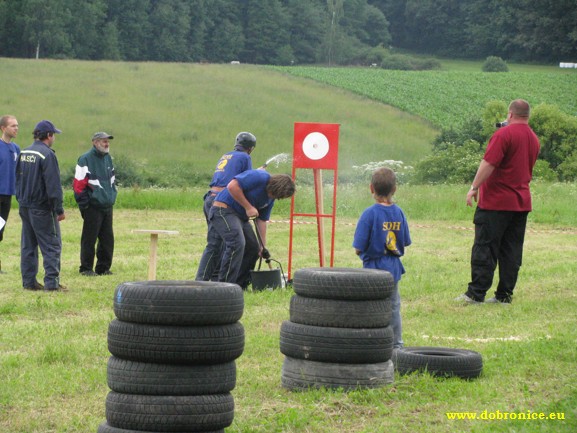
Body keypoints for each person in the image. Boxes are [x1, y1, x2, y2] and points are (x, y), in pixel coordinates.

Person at [457, 99, 540, 304]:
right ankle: (504, 295)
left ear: (510, 114)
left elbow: (489, 163)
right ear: (527, 115)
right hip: (521, 203)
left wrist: (474, 187)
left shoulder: (503, 134)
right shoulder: (533, 138)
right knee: (511, 250)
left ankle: (476, 293)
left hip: (496, 202)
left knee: (485, 247)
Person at [196, 169, 295, 287]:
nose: (273, 197)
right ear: (275, 186)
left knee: (253, 248)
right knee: (236, 242)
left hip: (240, 217)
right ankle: (224, 286)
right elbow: (232, 186)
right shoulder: (260, 176)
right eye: (274, 194)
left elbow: (261, 220)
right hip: (223, 210)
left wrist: (262, 246)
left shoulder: (270, 200)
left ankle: (240, 285)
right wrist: (248, 207)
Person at [353, 167, 411, 349]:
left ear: (371, 188)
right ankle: (396, 344)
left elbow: (358, 247)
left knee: (370, 305)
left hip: (373, 267)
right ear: (394, 189)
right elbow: (406, 241)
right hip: (393, 266)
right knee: (393, 306)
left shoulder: (369, 214)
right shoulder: (399, 212)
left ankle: (370, 341)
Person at [196, 131, 257, 285]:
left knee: (215, 244)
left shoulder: (226, 155)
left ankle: (202, 280)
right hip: (224, 201)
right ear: (250, 148)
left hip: (210, 198)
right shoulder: (245, 157)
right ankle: (223, 283)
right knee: (229, 243)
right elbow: (246, 181)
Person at [15, 120, 66, 292]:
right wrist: (58, 209)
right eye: (54, 135)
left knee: (28, 245)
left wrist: (21, 200)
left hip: (24, 206)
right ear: (48, 135)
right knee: (51, 244)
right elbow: (53, 185)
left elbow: (18, 179)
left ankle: (29, 282)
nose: (54, 139)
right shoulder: (47, 154)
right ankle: (52, 284)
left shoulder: (24, 152)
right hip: (42, 208)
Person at [73, 132, 118, 276]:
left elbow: (112, 181)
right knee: (89, 238)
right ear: (94, 142)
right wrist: (84, 204)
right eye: (103, 141)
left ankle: (103, 267)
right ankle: (85, 268)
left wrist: (112, 196)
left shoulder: (108, 159)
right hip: (92, 206)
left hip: (107, 205)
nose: (107, 144)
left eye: (107, 141)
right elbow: (78, 185)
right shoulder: (85, 159)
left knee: (107, 239)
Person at [0, 115, 21, 273]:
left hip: (7, 196)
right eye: (13, 126)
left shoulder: (16, 149)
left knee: (0, 230)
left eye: (17, 126)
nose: (16, 128)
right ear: (3, 128)